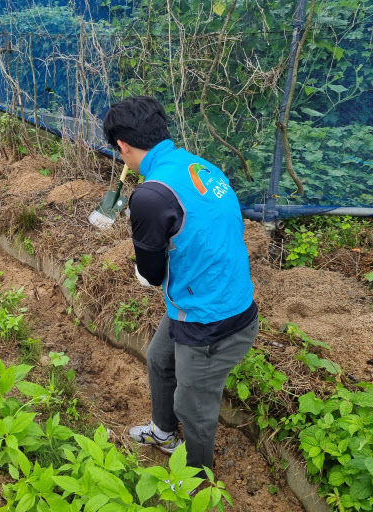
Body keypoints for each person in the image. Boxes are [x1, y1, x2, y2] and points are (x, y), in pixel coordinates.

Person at [102, 96, 258, 476]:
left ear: (122, 146)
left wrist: (143, 266)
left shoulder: (151, 196)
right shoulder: (193, 164)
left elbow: (152, 275)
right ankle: (163, 432)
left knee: (196, 407)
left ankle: (196, 479)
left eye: (118, 151)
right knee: (159, 359)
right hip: (203, 295)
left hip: (213, 320)